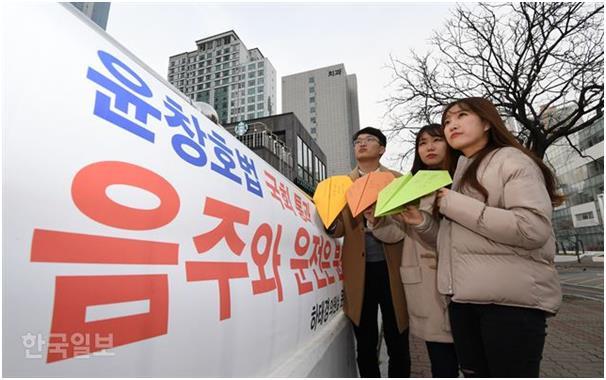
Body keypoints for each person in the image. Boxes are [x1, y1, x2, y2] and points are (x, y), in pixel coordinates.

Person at [399, 98, 563, 377]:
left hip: (510, 305)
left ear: (487, 122)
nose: (452, 125)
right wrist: (422, 223)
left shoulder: (512, 160)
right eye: (447, 121)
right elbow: (453, 242)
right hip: (465, 301)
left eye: (461, 116)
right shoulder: (461, 171)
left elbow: (531, 229)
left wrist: (452, 204)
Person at [365, 124, 460, 377]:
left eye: (436, 140)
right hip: (426, 286)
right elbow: (396, 233)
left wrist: (421, 222)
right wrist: (376, 220)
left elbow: (454, 239)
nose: (429, 147)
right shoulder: (410, 186)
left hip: (463, 281)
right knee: (441, 362)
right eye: (422, 143)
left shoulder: (464, 178)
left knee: (474, 360)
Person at [326, 127, 411, 377]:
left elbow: (407, 223)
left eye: (369, 140)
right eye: (357, 141)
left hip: (393, 268)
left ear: (382, 149)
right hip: (358, 273)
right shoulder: (341, 185)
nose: (361, 144)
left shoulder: (398, 180)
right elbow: (339, 228)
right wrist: (330, 223)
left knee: (398, 339)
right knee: (364, 342)